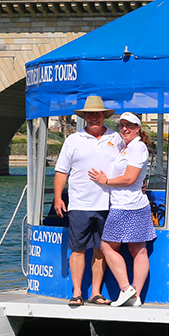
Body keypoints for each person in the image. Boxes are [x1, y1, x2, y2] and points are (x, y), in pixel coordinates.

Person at [53, 95, 123, 306]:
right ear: (84, 117)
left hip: (109, 205)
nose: (94, 118)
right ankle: (76, 293)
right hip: (79, 205)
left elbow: (127, 168)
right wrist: (57, 197)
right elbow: (61, 171)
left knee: (102, 250)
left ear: (104, 116)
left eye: (98, 114)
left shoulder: (116, 139)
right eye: (90, 114)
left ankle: (96, 292)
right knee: (78, 249)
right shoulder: (72, 140)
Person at [89, 112, 157, 307]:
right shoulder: (128, 147)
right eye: (122, 125)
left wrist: (106, 181)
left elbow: (129, 178)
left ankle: (127, 289)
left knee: (108, 247)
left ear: (138, 129)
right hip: (131, 204)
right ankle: (135, 297)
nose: (125, 128)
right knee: (138, 250)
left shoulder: (138, 147)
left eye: (129, 125)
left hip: (126, 206)